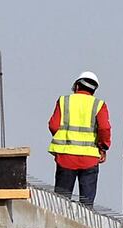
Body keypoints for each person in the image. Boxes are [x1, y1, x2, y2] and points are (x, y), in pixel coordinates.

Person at [48, 71, 111, 206]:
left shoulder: (64, 101)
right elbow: (104, 128)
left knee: (60, 204)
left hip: (66, 158)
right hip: (89, 159)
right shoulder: (98, 105)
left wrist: (64, 139)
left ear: (77, 86)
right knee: (87, 207)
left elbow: (53, 126)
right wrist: (103, 147)